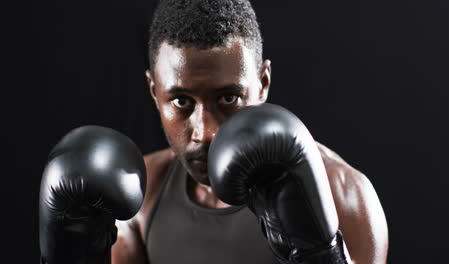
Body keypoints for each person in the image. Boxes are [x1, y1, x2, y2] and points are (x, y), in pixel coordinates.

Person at [38, 0, 388, 263]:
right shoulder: (141, 201)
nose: (205, 133)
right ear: (153, 91)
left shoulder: (343, 196)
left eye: (228, 97)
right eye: (181, 102)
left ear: (262, 84)